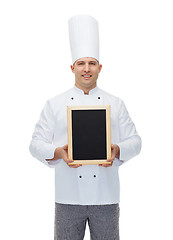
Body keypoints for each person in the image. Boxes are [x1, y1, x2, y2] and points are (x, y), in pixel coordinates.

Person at [29, 15, 142, 240]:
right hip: (68, 196)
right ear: (72, 67)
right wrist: (59, 152)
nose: (86, 69)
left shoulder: (116, 103)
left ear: (100, 67)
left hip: (106, 197)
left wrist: (116, 150)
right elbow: (35, 144)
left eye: (92, 63)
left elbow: (136, 141)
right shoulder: (55, 103)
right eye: (81, 63)